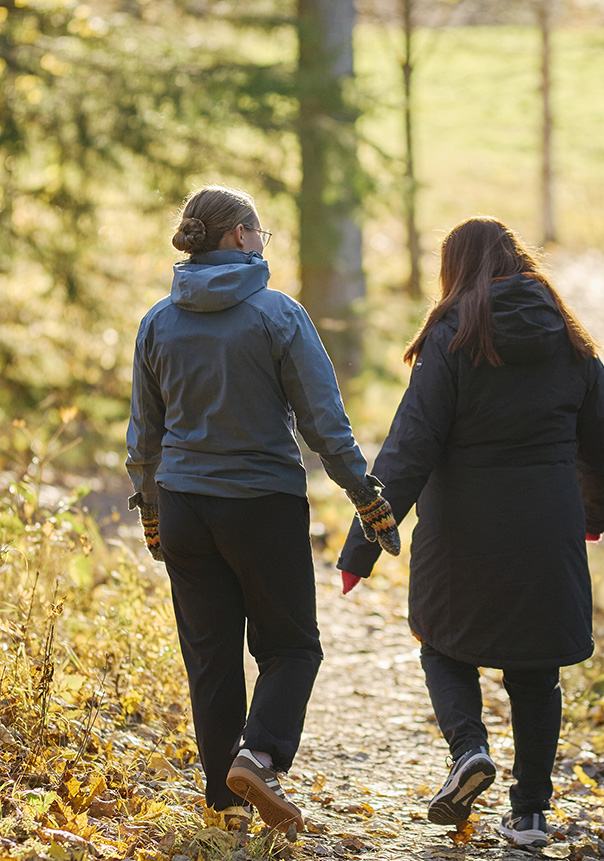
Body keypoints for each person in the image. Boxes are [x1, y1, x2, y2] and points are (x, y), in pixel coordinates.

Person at [336, 216, 604, 848]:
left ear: (456, 271)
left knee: (442, 644)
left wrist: (363, 547)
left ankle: (469, 751)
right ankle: (530, 813)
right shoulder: (571, 338)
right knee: (535, 671)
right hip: (548, 529)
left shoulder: (451, 336)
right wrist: (590, 519)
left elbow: (410, 444)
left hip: (461, 529)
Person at [126, 185, 402, 833]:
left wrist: (149, 506)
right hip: (263, 504)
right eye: (259, 231)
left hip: (186, 505)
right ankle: (260, 753)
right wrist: (364, 493)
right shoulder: (279, 315)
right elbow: (324, 423)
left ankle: (225, 812)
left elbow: (143, 435)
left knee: (212, 657)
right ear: (236, 238)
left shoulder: (157, 322)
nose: (261, 240)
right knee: (291, 648)